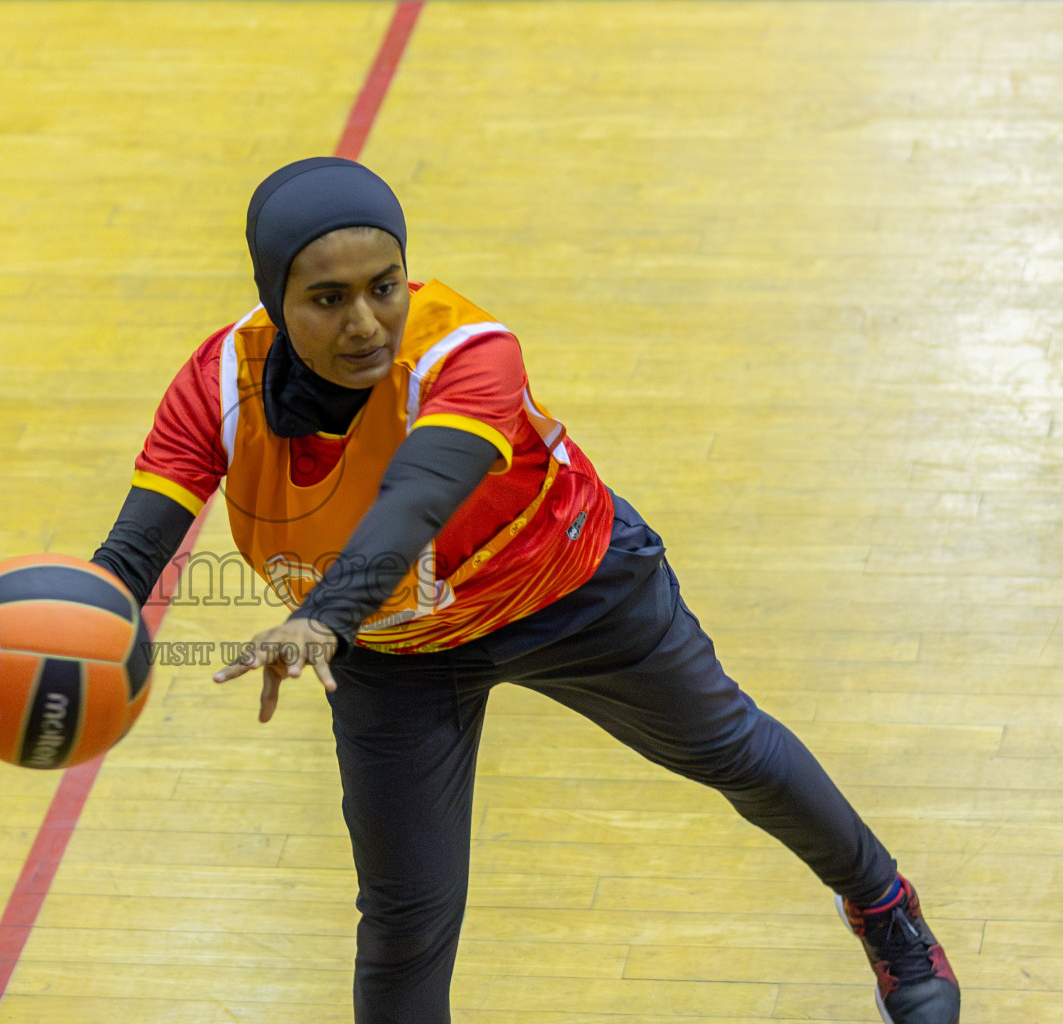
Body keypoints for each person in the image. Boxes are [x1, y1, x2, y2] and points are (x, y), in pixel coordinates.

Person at [85, 157, 961, 1024]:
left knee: (730, 750)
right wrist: (42, 642)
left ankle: (887, 911)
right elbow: (133, 552)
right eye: (327, 300)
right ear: (277, 301)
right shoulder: (218, 389)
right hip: (398, 657)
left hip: (573, 596)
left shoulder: (468, 351)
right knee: (406, 918)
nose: (365, 324)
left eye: (383, 287)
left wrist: (323, 616)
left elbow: (416, 499)